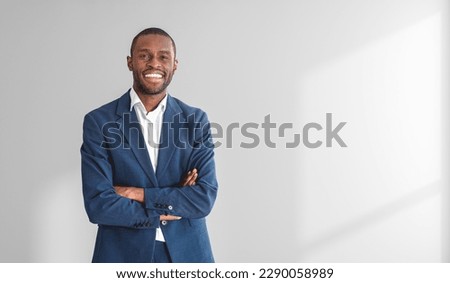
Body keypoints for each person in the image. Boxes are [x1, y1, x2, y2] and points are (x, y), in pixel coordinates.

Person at [80, 27, 218, 263]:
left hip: (188, 255)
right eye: (144, 55)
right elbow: (98, 204)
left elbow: (203, 199)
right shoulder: (99, 121)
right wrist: (170, 203)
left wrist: (136, 193)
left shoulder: (195, 120)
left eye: (163, 57)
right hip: (121, 255)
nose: (154, 64)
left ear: (175, 64)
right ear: (130, 62)